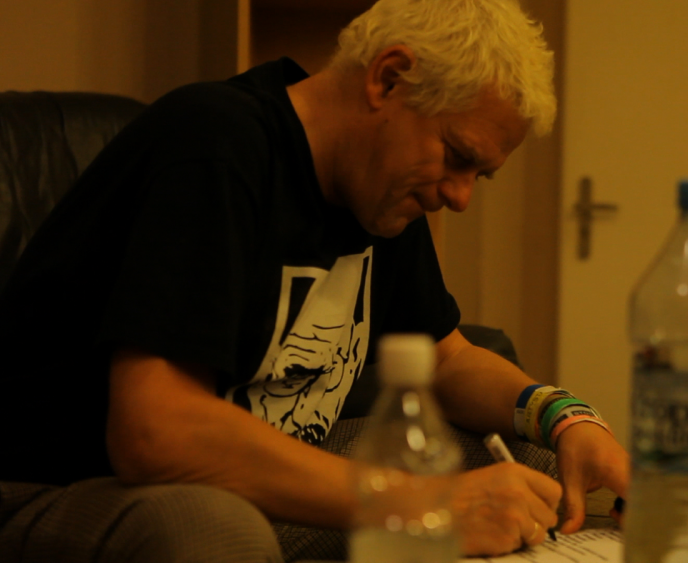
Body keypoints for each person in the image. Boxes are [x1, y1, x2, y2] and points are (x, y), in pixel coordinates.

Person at [0, 0, 629, 561]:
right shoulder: (214, 144)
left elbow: (448, 360)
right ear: (389, 77)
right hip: (68, 487)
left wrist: (566, 417)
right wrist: (422, 504)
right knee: (213, 529)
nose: (460, 197)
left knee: (533, 471)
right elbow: (156, 434)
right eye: (457, 156)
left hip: (242, 482)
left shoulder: (382, 194)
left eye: (478, 176)